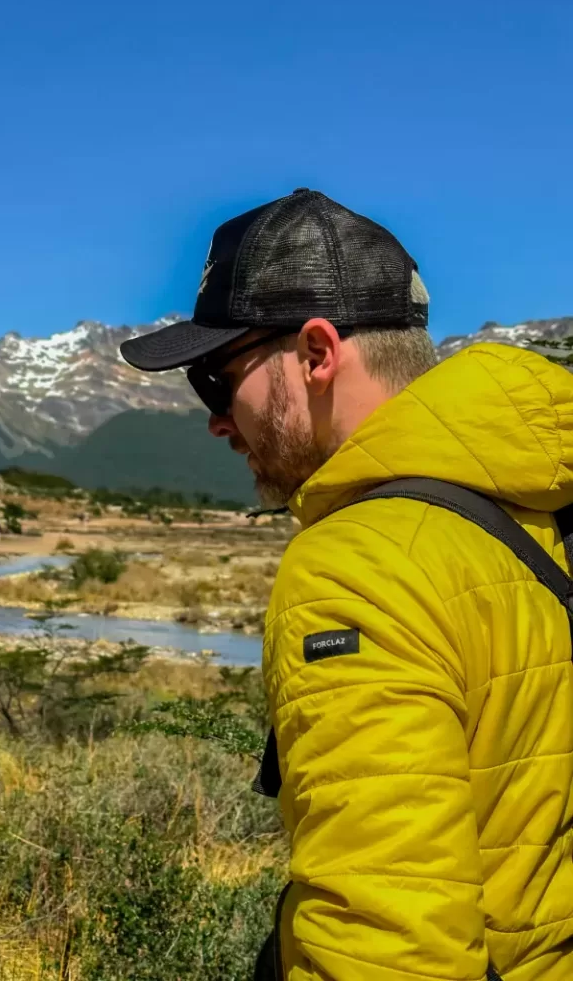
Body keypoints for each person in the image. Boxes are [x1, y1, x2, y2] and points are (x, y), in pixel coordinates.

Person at [120, 188, 573, 980]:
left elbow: (388, 938)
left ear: (318, 353)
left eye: (216, 381)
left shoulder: (357, 564)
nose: (216, 422)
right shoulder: (542, 496)